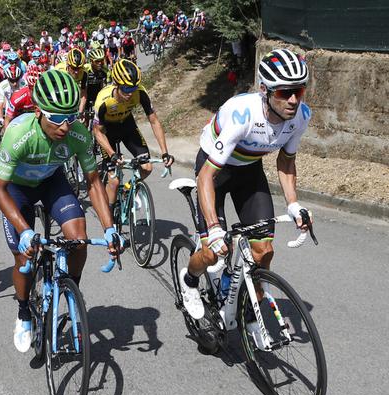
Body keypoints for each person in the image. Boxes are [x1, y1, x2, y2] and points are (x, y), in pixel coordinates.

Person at [178, 49, 312, 337]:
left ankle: (250, 310)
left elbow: (286, 161)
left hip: (250, 171)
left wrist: (293, 203)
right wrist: (213, 229)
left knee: (264, 251)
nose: (293, 100)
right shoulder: (241, 116)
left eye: (299, 91)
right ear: (264, 90)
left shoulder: (300, 115)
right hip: (215, 170)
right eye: (284, 92)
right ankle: (189, 280)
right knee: (212, 254)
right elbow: (206, 176)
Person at [0, 70, 119, 352]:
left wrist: (110, 227)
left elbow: (94, 182)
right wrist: (25, 230)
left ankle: (70, 291)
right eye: (57, 118)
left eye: (70, 117)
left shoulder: (78, 134)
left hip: (51, 182)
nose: (64, 127)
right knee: (24, 255)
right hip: (16, 189)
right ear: (38, 111)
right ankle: (24, 311)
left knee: (78, 239)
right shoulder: (18, 134)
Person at [92, 59, 174, 211]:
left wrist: (165, 152)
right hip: (106, 131)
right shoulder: (103, 100)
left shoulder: (140, 92)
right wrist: (112, 154)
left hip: (127, 126)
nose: (130, 93)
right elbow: (97, 132)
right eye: (125, 89)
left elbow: (154, 121)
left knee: (147, 167)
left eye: (133, 88)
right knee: (114, 181)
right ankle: (110, 222)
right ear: (116, 84)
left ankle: (128, 189)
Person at [53, 47, 88, 116]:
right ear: (68, 65)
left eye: (79, 68)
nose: (76, 72)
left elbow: (83, 93)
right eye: (73, 68)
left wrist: (80, 112)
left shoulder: (84, 73)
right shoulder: (58, 70)